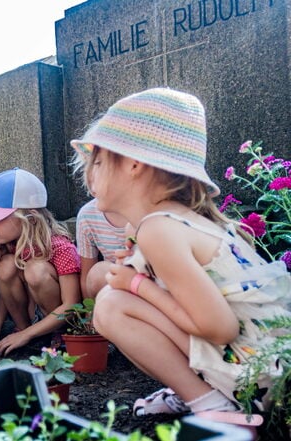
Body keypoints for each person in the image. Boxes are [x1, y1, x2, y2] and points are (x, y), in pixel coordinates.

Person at [69, 88, 290, 420]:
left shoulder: (159, 229)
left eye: (98, 161)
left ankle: (215, 408)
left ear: (133, 163)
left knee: (112, 306)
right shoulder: (174, 221)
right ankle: (203, 391)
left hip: (263, 380)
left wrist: (137, 285)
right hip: (269, 366)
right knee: (114, 297)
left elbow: (219, 328)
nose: (89, 175)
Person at [0, 168, 81, 357]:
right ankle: (24, 330)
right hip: (29, 317)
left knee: (36, 270)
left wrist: (26, 335)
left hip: (61, 320)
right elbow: (5, 289)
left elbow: (71, 304)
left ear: (30, 218)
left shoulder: (60, 247)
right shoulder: (9, 245)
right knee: (6, 265)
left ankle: (54, 336)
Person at [75, 199, 127, 299]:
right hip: (113, 281)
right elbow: (87, 275)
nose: (93, 186)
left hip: (150, 278)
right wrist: (89, 312)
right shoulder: (88, 214)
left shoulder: (149, 209)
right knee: (98, 273)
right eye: (89, 182)